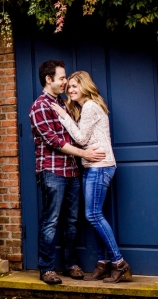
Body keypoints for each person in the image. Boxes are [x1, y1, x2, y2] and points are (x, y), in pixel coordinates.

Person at [29, 60, 106, 285]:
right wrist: (85, 155)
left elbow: (77, 134)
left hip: (72, 170)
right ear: (48, 79)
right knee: (51, 220)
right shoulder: (40, 106)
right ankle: (47, 268)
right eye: (62, 78)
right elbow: (54, 141)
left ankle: (71, 263)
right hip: (52, 171)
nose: (65, 82)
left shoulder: (63, 103)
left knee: (71, 221)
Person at [51, 70, 132, 283]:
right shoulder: (87, 107)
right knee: (95, 216)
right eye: (69, 87)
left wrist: (64, 116)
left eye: (75, 86)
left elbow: (80, 138)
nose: (70, 90)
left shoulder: (89, 106)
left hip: (100, 167)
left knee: (93, 215)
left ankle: (119, 262)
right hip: (92, 166)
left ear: (85, 86)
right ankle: (103, 263)